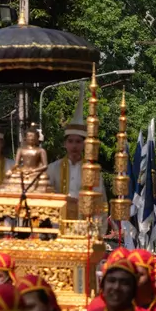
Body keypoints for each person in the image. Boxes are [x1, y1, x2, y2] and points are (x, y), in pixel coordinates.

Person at [47, 83, 108, 231]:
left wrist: (96, 230)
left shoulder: (93, 172)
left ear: (84, 144)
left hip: (84, 227)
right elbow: (45, 198)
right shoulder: (52, 168)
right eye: (70, 141)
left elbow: (100, 203)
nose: (74, 145)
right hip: (57, 226)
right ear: (65, 144)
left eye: (78, 141)